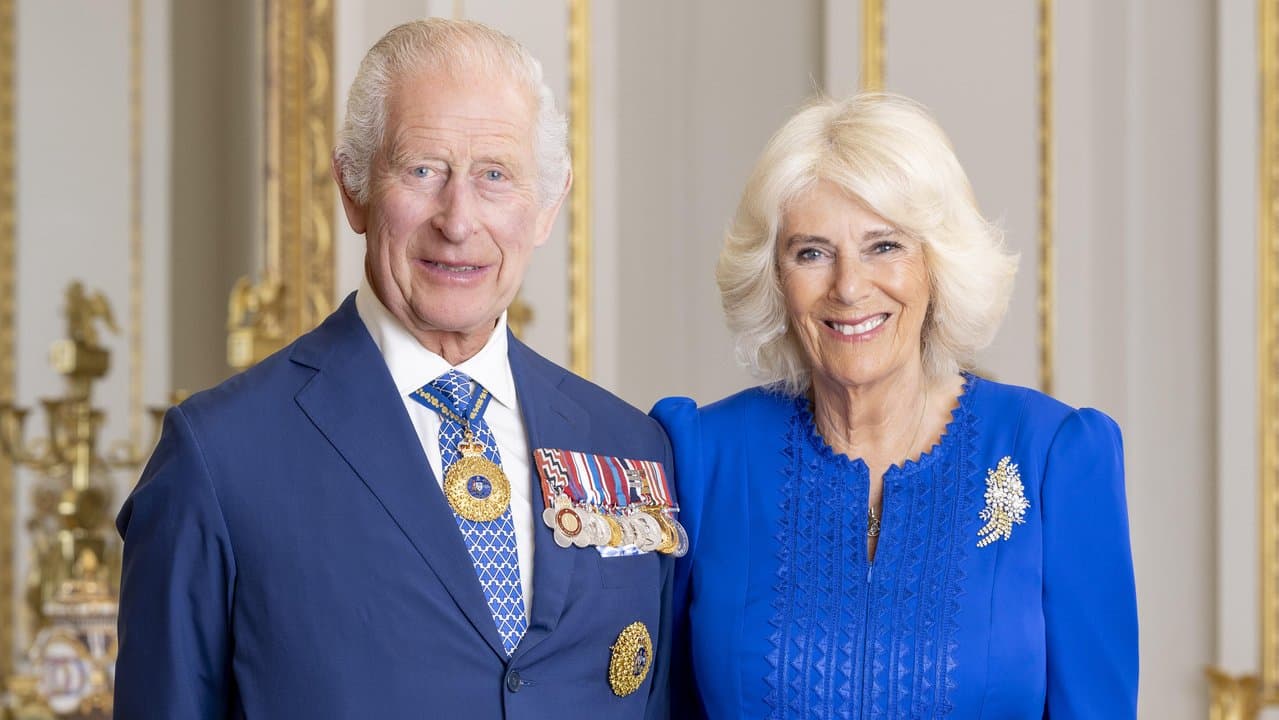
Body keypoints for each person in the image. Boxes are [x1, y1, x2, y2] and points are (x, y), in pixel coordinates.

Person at [115, 19, 677, 719]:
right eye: (422, 170)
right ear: (353, 188)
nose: (458, 220)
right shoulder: (219, 457)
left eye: (495, 175)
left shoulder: (630, 446)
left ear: (546, 206)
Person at [651, 93, 1138, 718]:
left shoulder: (1053, 457)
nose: (850, 287)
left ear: (937, 264)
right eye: (811, 252)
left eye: (884, 246)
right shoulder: (700, 458)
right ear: (774, 277)